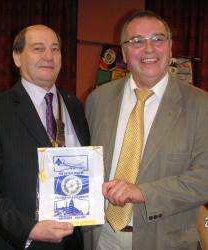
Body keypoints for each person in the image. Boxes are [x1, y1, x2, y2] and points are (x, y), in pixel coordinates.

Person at [84, 10, 208, 250]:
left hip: (165, 241)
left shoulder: (201, 105)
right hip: (102, 239)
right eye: (137, 41)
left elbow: (205, 179)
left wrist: (143, 192)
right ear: (124, 52)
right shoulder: (97, 100)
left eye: (158, 39)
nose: (149, 49)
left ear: (170, 47)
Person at [0, 24, 89, 250]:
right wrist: (28, 229)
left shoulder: (75, 106)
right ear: (17, 57)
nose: (49, 56)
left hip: (73, 242)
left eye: (55, 49)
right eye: (38, 48)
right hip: (18, 242)